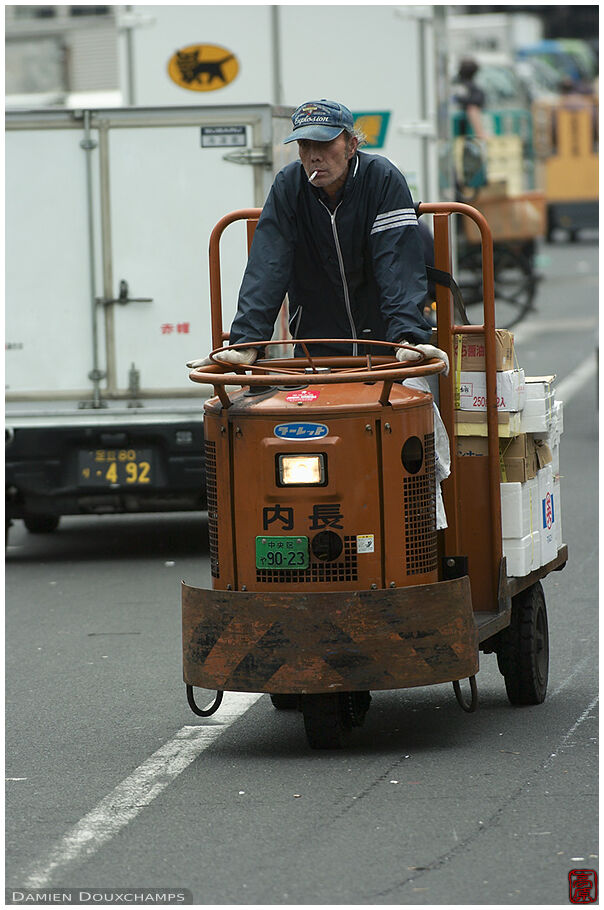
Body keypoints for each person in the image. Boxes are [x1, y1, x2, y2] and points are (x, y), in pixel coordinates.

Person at [187, 98, 448, 372]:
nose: (313, 155)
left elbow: (396, 262)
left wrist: (407, 338)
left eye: (324, 144)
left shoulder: (382, 179)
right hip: (318, 345)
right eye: (304, 145)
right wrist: (246, 343)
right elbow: (268, 264)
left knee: (408, 408)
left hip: (386, 346)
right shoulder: (289, 185)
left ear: (351, 146)